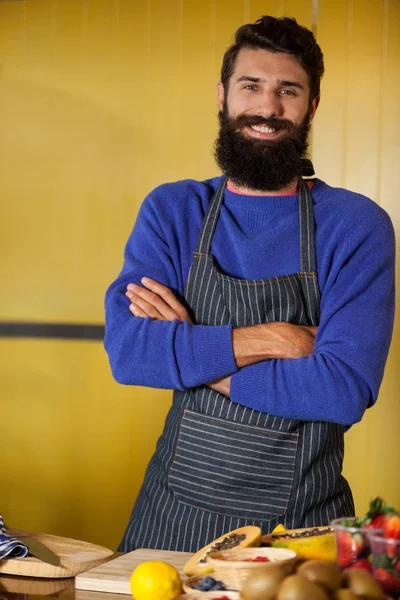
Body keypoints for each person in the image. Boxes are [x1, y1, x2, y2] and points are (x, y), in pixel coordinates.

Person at [104, 16, 395, 553]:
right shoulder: (174, 210)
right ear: (222, 96)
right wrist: (273, 338)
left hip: (300, 529)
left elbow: (342, 390)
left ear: (312, 105)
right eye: (251, 86)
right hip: (170, 520)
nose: (268, 107)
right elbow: (128, 353)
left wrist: (191, 350)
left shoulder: (355, 225)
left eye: (289, 90)